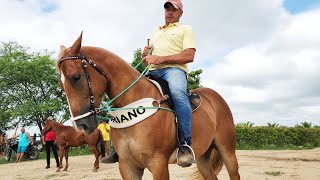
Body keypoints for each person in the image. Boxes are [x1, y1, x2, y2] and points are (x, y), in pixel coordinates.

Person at [101, 0, 196, 167]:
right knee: (124, 95)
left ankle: (185, 145)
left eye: (174, 9)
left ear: (180, 13)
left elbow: (189, 56)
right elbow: (147, 62)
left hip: (174, 71)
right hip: (152, 71)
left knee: (178, 94)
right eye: (167, 9)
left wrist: (161, 59)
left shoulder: (185, 29)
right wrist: (145, 57)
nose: (169, 12)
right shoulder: (155, 33)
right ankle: (116, 147)